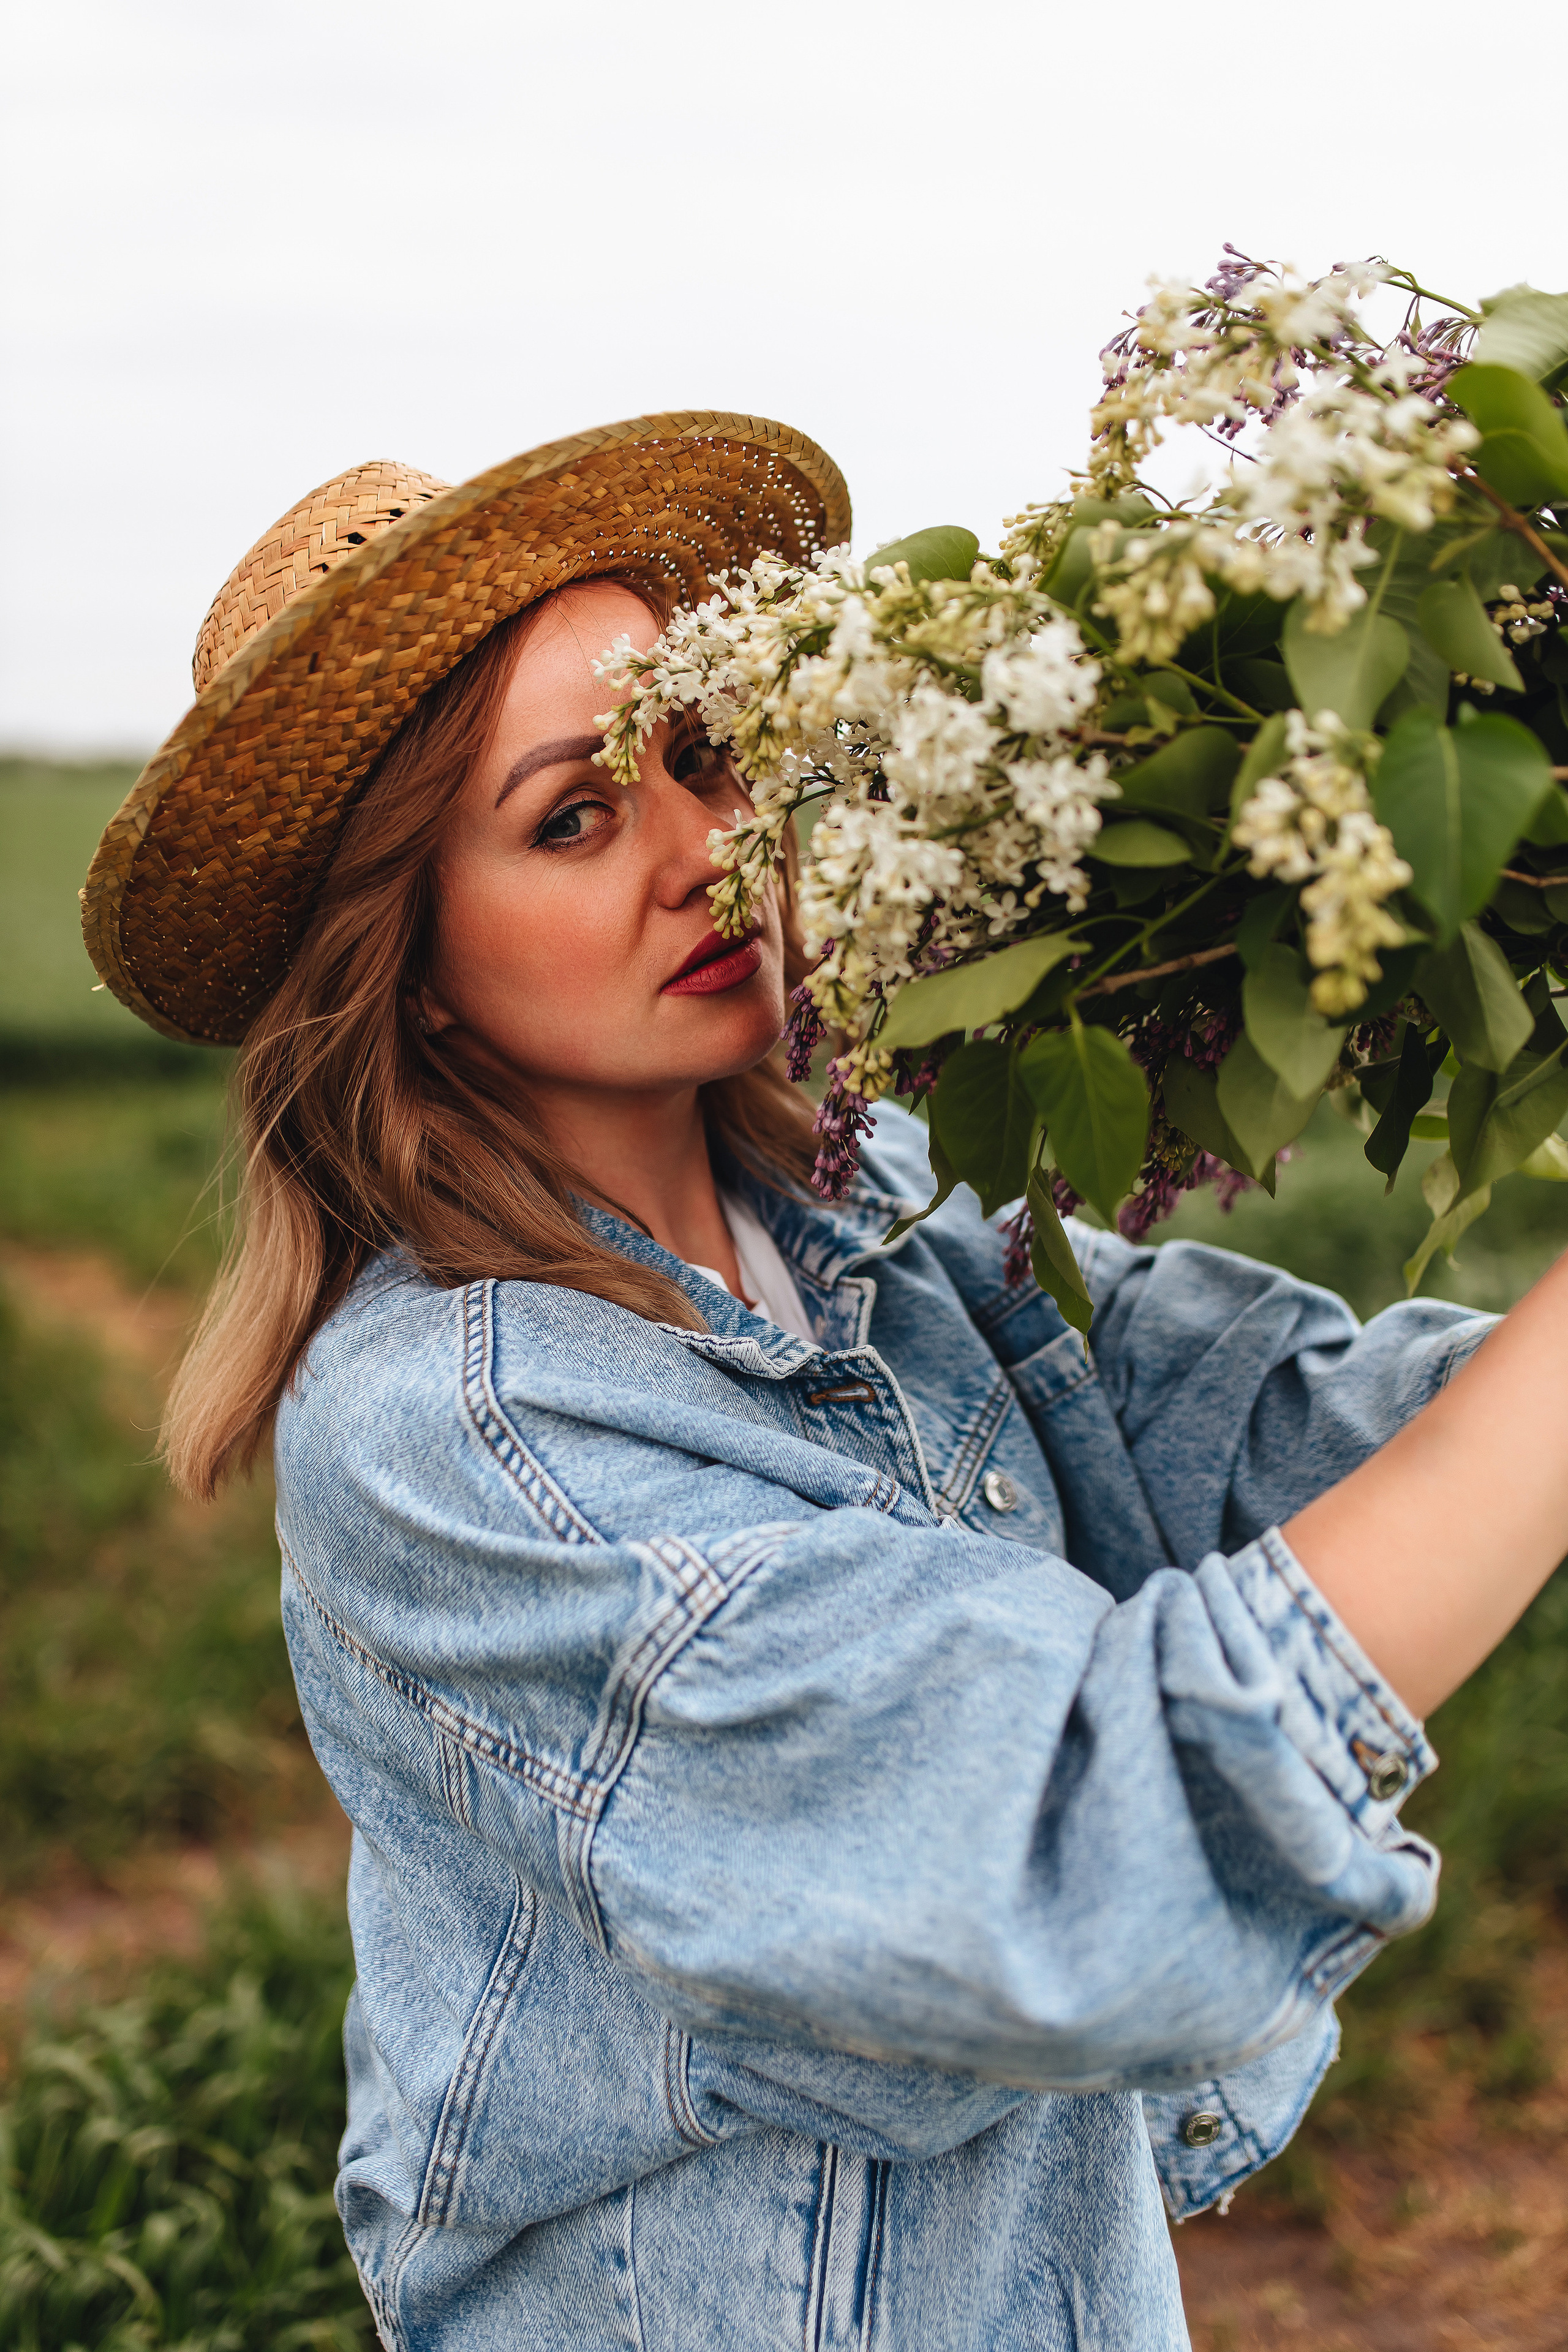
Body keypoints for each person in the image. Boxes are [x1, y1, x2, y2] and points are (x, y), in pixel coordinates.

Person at [85, 419, 1567, 2352]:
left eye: (694, 758)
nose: (704, 849)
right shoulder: (461, 1427)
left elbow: (1301, 1434)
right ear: (418, 968)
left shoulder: (877, 1214)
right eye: (572, 817)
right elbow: (1071, 1839)